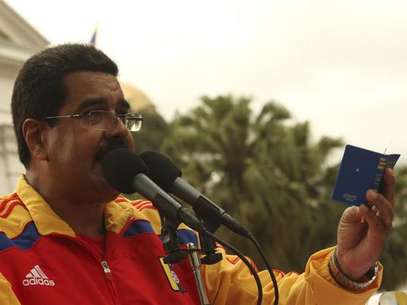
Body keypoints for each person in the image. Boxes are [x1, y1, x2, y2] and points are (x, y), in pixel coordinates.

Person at [0, 43, 395, 305]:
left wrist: (348, 267)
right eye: (92, 114)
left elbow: (273, 296)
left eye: (122, 114)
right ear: (38, 139)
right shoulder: (7, 247)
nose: (118, 129)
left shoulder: (167, 231)